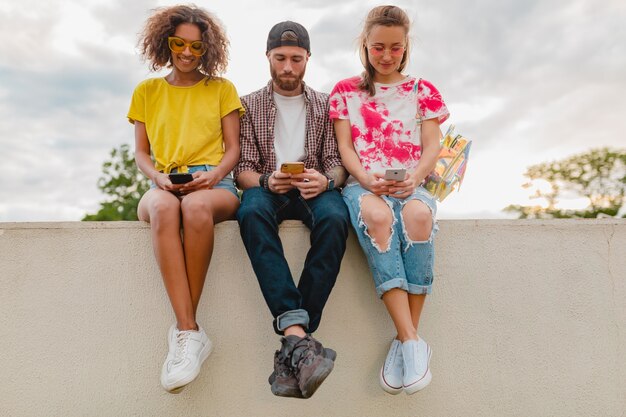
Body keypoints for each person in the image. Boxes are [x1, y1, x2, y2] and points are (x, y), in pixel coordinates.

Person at [329, 5, 449, 395]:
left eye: (395, 48)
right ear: (364, 44)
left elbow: (432, 146)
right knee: (377, 219)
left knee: (418, 218)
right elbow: (346, 147)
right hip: (364, 184)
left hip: (412, 183)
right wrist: (364, 178)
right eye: (378, 47)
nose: (385, 55)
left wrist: (414, 177)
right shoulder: (345, 91)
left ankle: (405, 342)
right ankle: (413, 342)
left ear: (405, 46)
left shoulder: (423, 91)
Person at [127, 5, 243, 393]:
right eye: (179, 43)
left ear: (208, 47)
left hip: (214, 185)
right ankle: (189, 331)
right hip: (164, 183)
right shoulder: (148, 91)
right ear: (166, 43)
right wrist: (158, 177)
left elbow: (233, 149)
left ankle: (185, 335)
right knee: (162, 207)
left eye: (196, 45)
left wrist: (213, 176)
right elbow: (142, 153)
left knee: (194, 207)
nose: (188, 52)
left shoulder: (222, 89)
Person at [235, 21, 350, 399]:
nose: (287, 67)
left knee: (335, 217)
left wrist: (326, 181)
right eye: (280, 58)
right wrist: (267, 182)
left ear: (308, 59)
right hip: (270, 188)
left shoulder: (325, 103)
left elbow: (336, 161)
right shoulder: (248, 104)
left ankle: (294, 340)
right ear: (267, 57)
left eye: (296, 59)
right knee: (251, 212)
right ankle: (302, 342)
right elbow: (244, 170)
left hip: (313, 189)